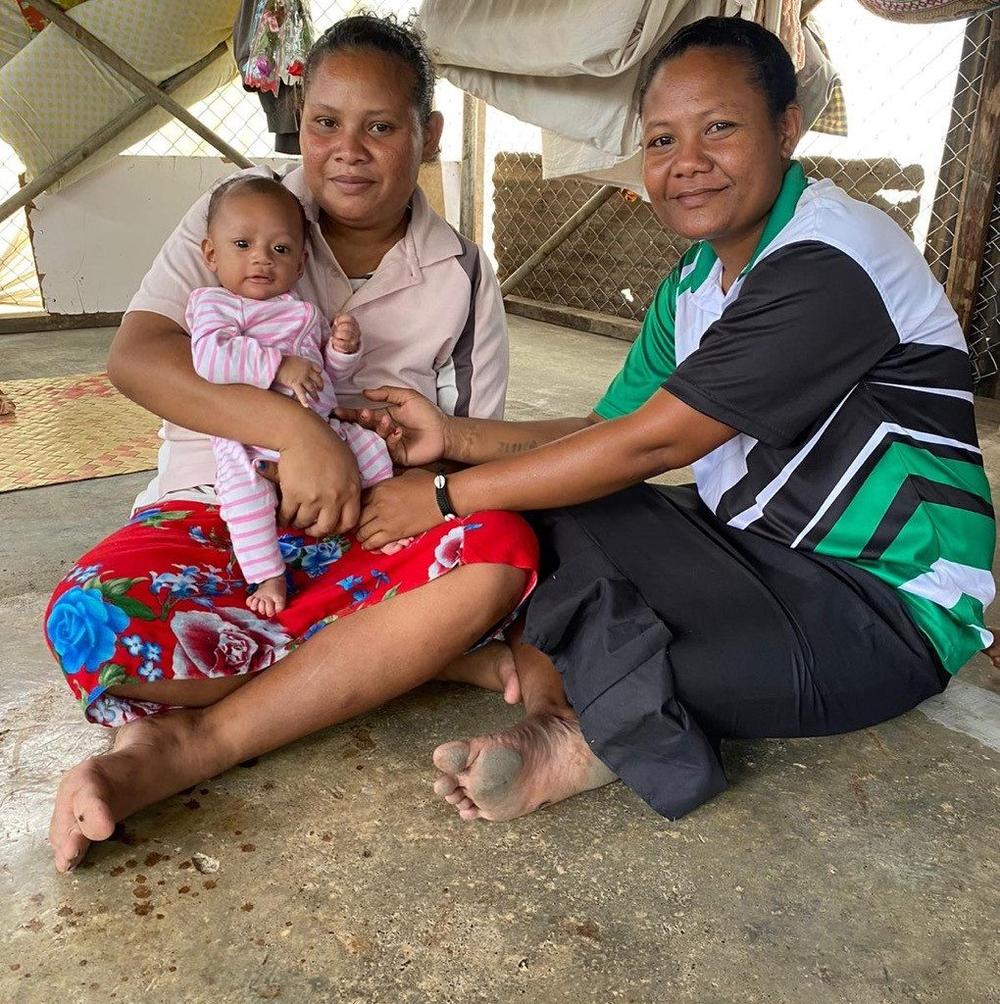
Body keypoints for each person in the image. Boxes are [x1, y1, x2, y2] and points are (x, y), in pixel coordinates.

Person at [343, 17, 996, 823]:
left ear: (787, 128)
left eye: (719, 128)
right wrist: (454, 444)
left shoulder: (830, 256)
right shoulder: (694, 282)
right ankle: (573, 700)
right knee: (544, 506)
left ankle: (573, 727)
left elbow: (653, 443)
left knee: (521, 531)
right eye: (661, 140)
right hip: (752, 555)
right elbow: (605, 428)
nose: (686, 163)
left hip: (885, 614)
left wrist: (445, 496)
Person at [44, 13, 537, 873]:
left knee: (499, 552)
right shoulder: (242, 213)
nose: (348, 150)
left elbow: (472, 443)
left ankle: (183, 741)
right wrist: (295, 430)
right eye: (325, 123)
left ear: (428, 134)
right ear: (299, 121)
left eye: (381, 126)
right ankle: (385, 663)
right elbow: (138, 355)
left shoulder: (459, 270)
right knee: (88, 620)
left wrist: (407, 483)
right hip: (208, 516)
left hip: (362, 535)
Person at [188, 174, 398, 617]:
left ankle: (381, 516)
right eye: (242, 245)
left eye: (279, 249)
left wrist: (342, 351)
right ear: (211, 253)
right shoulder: (215, 304)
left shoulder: (302, 312)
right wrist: (279, 366)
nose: (262, 259)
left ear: (300, 264)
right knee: (246, 498)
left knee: (371, 447)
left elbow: (324, 378)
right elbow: (210, 358)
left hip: (322, 429)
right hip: (246, 440)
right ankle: (267, 575)